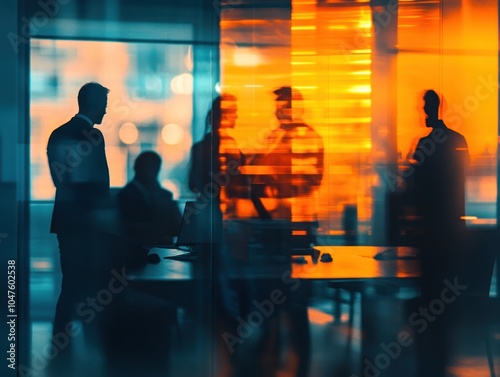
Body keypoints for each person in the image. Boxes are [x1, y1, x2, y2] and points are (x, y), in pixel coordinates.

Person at [46, 82, 110, 372]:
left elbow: (61, 181)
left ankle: (61, 344)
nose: (106, 110)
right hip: (88, 224)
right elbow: (99, 185)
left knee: (70, 281)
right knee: (89, 282)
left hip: (67, 222)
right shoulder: (93, 136)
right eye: (104, 104)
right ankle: (91, 343)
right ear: (95, 104)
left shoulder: (58, 134)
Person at [410, 89, 469, 377]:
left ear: (432, 107)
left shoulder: (424, 144)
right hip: (451, 229)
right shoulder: (458, 141)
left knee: (428, 290)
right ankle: (441, 353)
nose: (422, 110)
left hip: (430, 230)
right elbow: (460, 182)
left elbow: (413, 189)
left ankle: (428, 356)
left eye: (424, 105)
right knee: (444, 291)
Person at [117, 151, 182, 267]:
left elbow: (177, 227)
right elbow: (128, 227)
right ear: (138, 169)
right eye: (150, 169)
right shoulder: (127, 195)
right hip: (141, 253)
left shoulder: (161, 195)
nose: (153, 174)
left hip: (159, 251)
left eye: (155, 170)